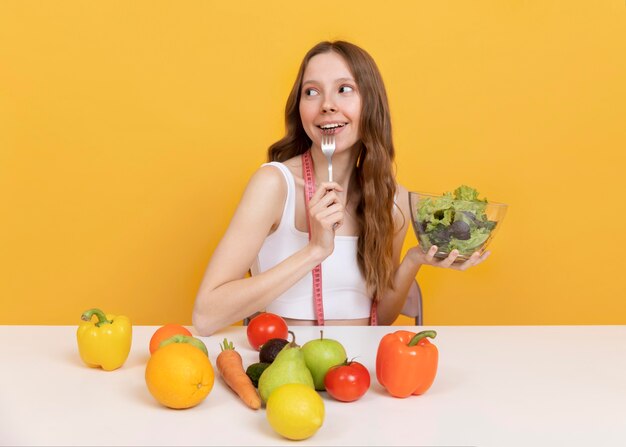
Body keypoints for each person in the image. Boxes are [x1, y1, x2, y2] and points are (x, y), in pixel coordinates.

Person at [192, 40, 489, 336]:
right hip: (281, 368)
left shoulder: (392, 200)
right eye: (312, 92)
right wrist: (315, 250)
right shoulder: (274, 185)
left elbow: (379, 319)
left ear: (371, 103)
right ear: (300, 109)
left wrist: (414, 259)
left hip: (356, 375)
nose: (327, 104)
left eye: (344, 89)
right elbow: (206, 315)